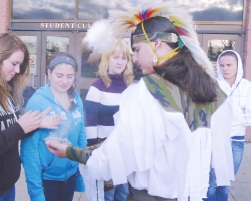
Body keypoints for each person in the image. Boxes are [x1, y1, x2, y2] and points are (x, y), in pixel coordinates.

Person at [46, 2, 235, 201]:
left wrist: (70, 152)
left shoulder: (150, 90)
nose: (134, 58)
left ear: (156, 44)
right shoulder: (211, 89)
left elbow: (117, 157)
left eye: (136, 49)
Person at [0, 33, 61, 201]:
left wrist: (34, 124)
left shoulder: (4, 89)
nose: (17, 71)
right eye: (14, 64)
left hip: (6, 187)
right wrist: (19, 128)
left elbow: (7, 129)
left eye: (20, 65)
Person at [20, 52, 87, 201]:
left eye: (69, 76)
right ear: (49, 73)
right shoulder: (38, 101)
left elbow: (81, 134)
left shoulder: (76, 99)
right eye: (59, 75)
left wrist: (80, 171)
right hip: (48, 178)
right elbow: (29, 150)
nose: (64, 81)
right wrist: (36, 193)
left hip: (70, 175)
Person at [84, 39, 134, 201]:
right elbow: (90, 122)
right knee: (107, 195)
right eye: (115, 57)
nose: (120, 62)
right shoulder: (97, 87)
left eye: (123, 58)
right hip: (105, 152)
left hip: (124, 152)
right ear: (107, 59)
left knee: (123, 194)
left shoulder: (130, 87)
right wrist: (95, 153)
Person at [204, 50, 251, 201]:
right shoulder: (213, 85)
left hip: (236, 141)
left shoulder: (247, 87)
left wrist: (227, 115)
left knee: (226, 182)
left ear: (238, 65)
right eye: (222, 65)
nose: (225, 69)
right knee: (213, 181)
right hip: (217, 139)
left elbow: (249, 118)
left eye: (229, 65)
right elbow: (208, 113)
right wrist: (238, 112)